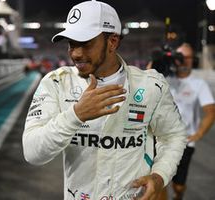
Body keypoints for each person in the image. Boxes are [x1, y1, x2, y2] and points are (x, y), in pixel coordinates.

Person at [22, 1, 187, 199]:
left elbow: (173, 136)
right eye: (71, 44)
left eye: (86, 43)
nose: (76, 53)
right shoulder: (57, 83)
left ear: (112, 42)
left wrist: (160, 176)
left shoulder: (151, 85)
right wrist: (75, 115)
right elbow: (32, 152)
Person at [165, 43, 215, 200]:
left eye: (188, 57)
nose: (185, 61)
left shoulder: (199, 84)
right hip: (161, 141)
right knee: (158, 183)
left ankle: (179, 196)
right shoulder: (163, 79)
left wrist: (198, 133)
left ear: (193, 60)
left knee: (178, 186)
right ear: (174, 59)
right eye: (181, 57)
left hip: (184, 143)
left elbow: (211, 112)